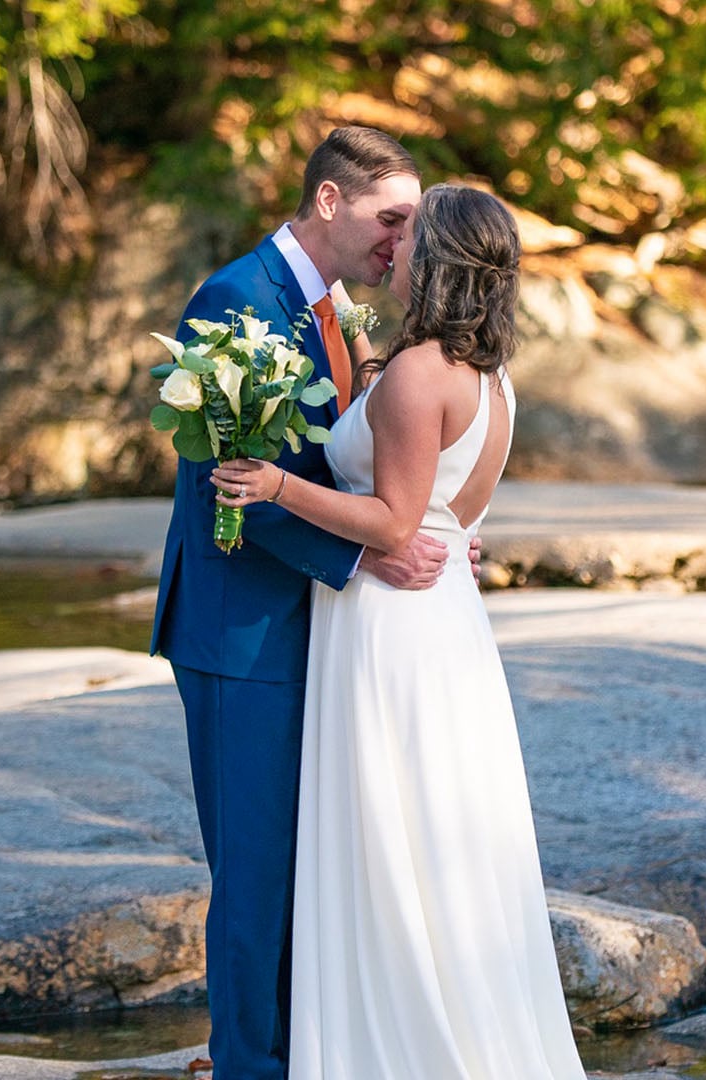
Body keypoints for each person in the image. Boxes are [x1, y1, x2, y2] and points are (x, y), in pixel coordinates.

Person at [212, 185, 588, 1078]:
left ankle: (397, 1049)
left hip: (392, 627)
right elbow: (443, 512)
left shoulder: (422, 372)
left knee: (391, 834)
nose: (394, 247)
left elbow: (392, 522)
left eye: (408, 233)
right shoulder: (485, 373)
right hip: (439, 619)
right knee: (427, 835)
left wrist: (275, 487)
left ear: (440, 257)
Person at [148, 126, 457, 1080]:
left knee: (305, 865)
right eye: (390, 220)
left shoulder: (330, 308)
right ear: (330, 201)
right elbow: (225, 480)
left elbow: (343, 461)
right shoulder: (237, 298)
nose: (402, 245)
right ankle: (249, 1068)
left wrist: (423, 523)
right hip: (243, 630)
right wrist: (367, 561)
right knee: (254, 874)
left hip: (309, 627)